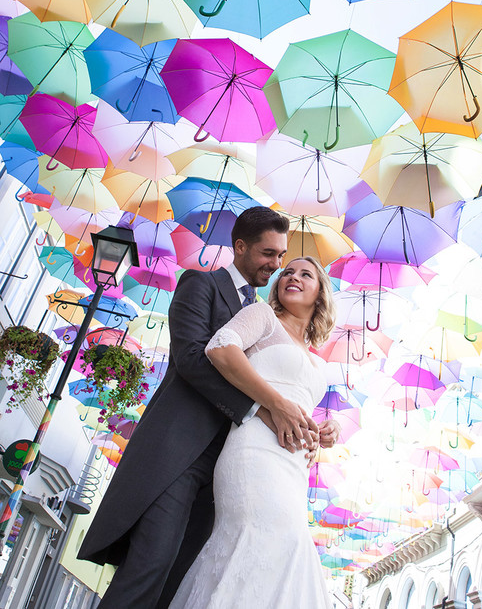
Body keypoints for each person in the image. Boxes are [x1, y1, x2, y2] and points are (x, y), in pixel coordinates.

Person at [78, 206, 338, 609]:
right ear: (240, 247)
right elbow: (192, 358)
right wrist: (263, 410)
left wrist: (309, 423)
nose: (278, 265)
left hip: (231, 462)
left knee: (185, 578)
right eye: (270, 254)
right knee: (152, 564)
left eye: (282, 256)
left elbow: (279, 381)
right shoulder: (200, 284)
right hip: (180, 454)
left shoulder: (266, 314)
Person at [168, 255, 336, 609]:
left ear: (320, 293)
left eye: (306, 274)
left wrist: (323, 431)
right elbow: (219, 348)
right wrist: (275, 404)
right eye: (287, 271)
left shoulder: (317, 360)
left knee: (287, 549)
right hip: (254, 451)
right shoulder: (263, 317)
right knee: (262, 540)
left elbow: (298, 406)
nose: (293, 276)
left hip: (293, 467)